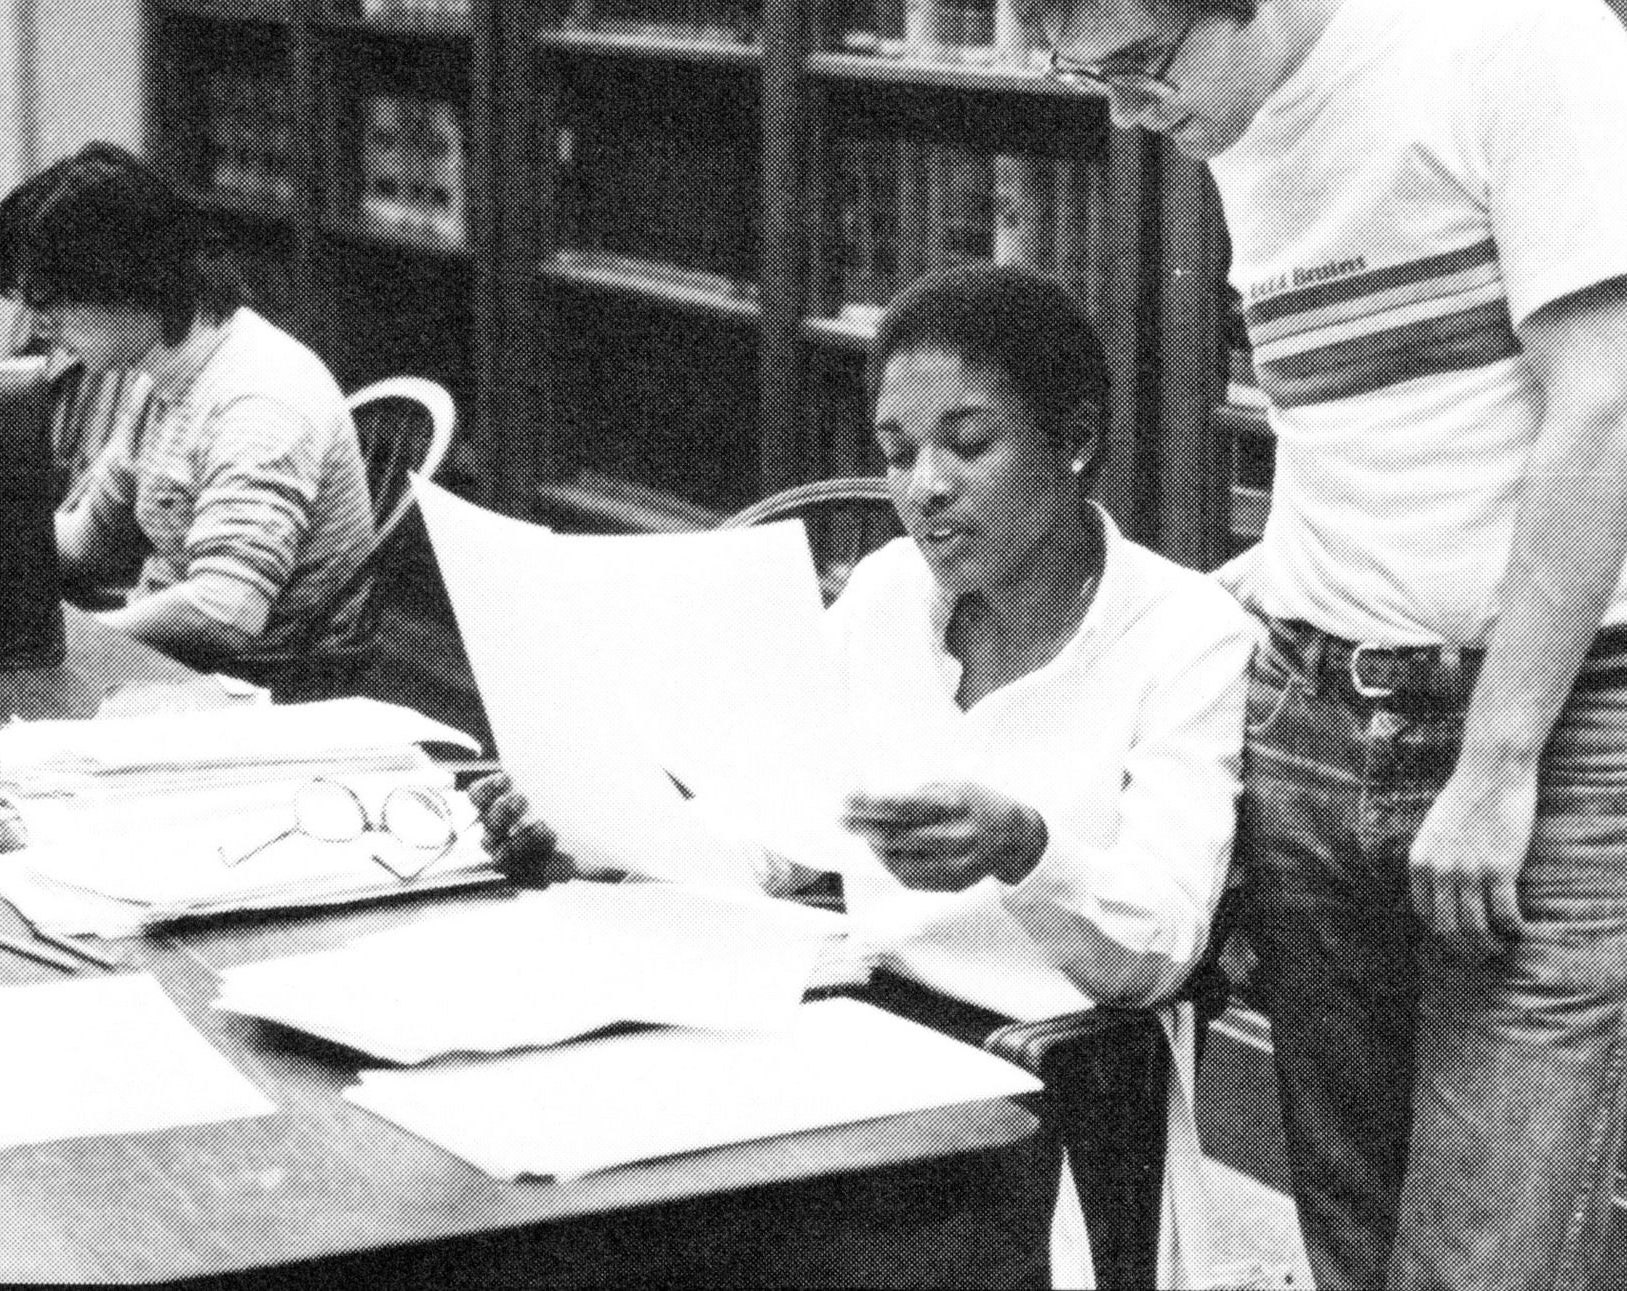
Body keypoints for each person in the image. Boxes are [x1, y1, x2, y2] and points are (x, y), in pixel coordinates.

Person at [1003, 0, 1627, 1291]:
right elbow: (1365, 448)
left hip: (1541, 737)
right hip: (1320, 724)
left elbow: (1608, 414)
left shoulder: (1517, 44)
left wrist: (1501, 762)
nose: (1131, 114)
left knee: (1475, 1268)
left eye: (1140, 68)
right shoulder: (1238, 117)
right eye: (1096, 78)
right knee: (1353, 1247)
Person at [471, 261, 1260, 1286]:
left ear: (1073, 439)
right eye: (897, 452)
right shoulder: (889, 593)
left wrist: (1024, 847)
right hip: (864, 1039)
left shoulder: (1186, 634)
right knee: (579, 1205)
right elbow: (773, 834)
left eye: (968, 443)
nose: (925, 485)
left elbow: (1157, 953)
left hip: (1048, 1081)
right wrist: (587, 835)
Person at [0, 144, 376, 689]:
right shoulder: (162, 378)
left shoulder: (260, 400)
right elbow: (90, 544)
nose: (40, 326)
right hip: (174, 666)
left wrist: (85, 639)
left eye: (50, 302)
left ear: (125, 284)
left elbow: (226, 612)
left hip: (252, 690)